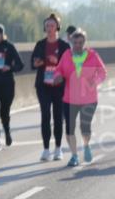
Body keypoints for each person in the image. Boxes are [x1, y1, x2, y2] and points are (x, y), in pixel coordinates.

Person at [53, 29, 107, 166]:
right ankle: (74, 156)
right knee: (69, 128)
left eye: (80, 42)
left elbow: (102, 72)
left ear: (84, 42)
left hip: (88, 99)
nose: (77, 45)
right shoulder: (66, 55)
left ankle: (86, 145)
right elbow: (58, 70)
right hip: (70, 98)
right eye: (75, 42)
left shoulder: (92, 55)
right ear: (71, 42)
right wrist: (57, 77)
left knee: (85, 127)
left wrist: (94, 81)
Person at [31, 13, 71, 161]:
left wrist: (60, 71)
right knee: (45, 116)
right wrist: (39, 62)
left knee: (58, 117)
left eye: (52, 25)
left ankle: (58, 148)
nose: (49, 28)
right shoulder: (40, 44)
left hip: (59, 86)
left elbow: (70, 66)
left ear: (57, 27)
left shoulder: (64, 46)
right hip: (43, 85)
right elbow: (33, 63)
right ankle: (46, 149)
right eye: (47, 25)